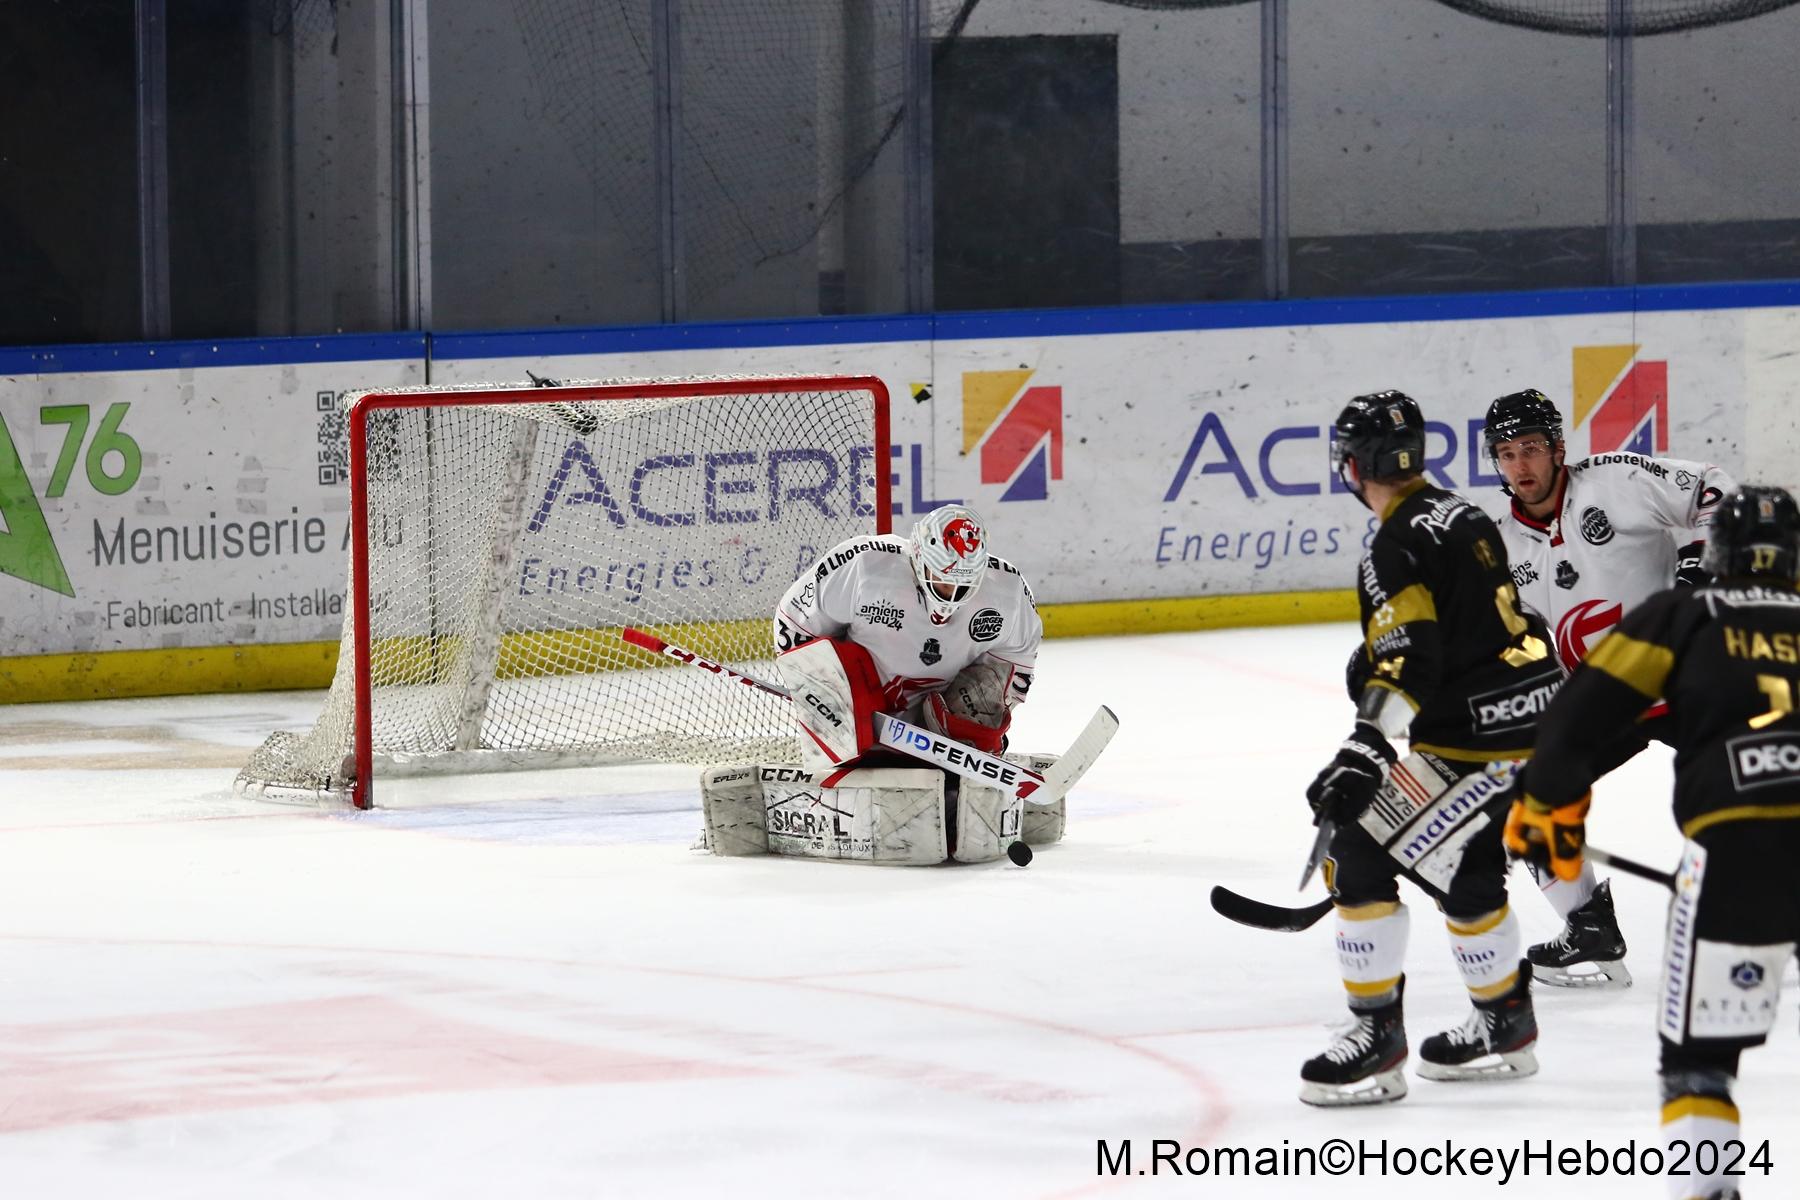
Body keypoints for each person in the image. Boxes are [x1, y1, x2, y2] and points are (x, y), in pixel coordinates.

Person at [1505, 484, 1800, 1200]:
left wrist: (1544, 803)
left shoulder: (1681, 614)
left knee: (1698, 1058)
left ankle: (1708, 1188)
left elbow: (1579, 716)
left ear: (1719, 553)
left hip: (1736, 848)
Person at [1298, 390, 1563, 1107]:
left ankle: (1375, 1037)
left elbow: (1410, 654)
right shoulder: (1460, 511)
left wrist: (1364, 743)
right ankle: (1504, 1021)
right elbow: (1479, 623)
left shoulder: (1393, 543)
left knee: (1356, 849)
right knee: (1472, 871)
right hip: (1533, 718)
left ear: (1355, 465)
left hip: (1478, 744)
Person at [1484, 389, 1735, 988]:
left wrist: (1698, 560)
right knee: (1525, 800)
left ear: (1558, 449)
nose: (1521, 466)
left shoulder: (1615, 480)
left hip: (1682, 678)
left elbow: (1716, 486)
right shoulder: (1499, 544)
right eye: (1507, 453)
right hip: (1603, 700)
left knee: (1757, 789)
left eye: (1533, 449)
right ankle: (1589, 926)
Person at [772, 502, 1042, 774]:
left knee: (989, 691)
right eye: (942, 579)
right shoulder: (865, 566)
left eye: (963, 584)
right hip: (858, 719)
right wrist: (822, 695)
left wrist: (984, 711)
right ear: (918, 555)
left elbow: (1017, 662)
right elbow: (792, 621)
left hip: (941, 735)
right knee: (846, 665)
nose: (950, 592)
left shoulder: (1008, 592)